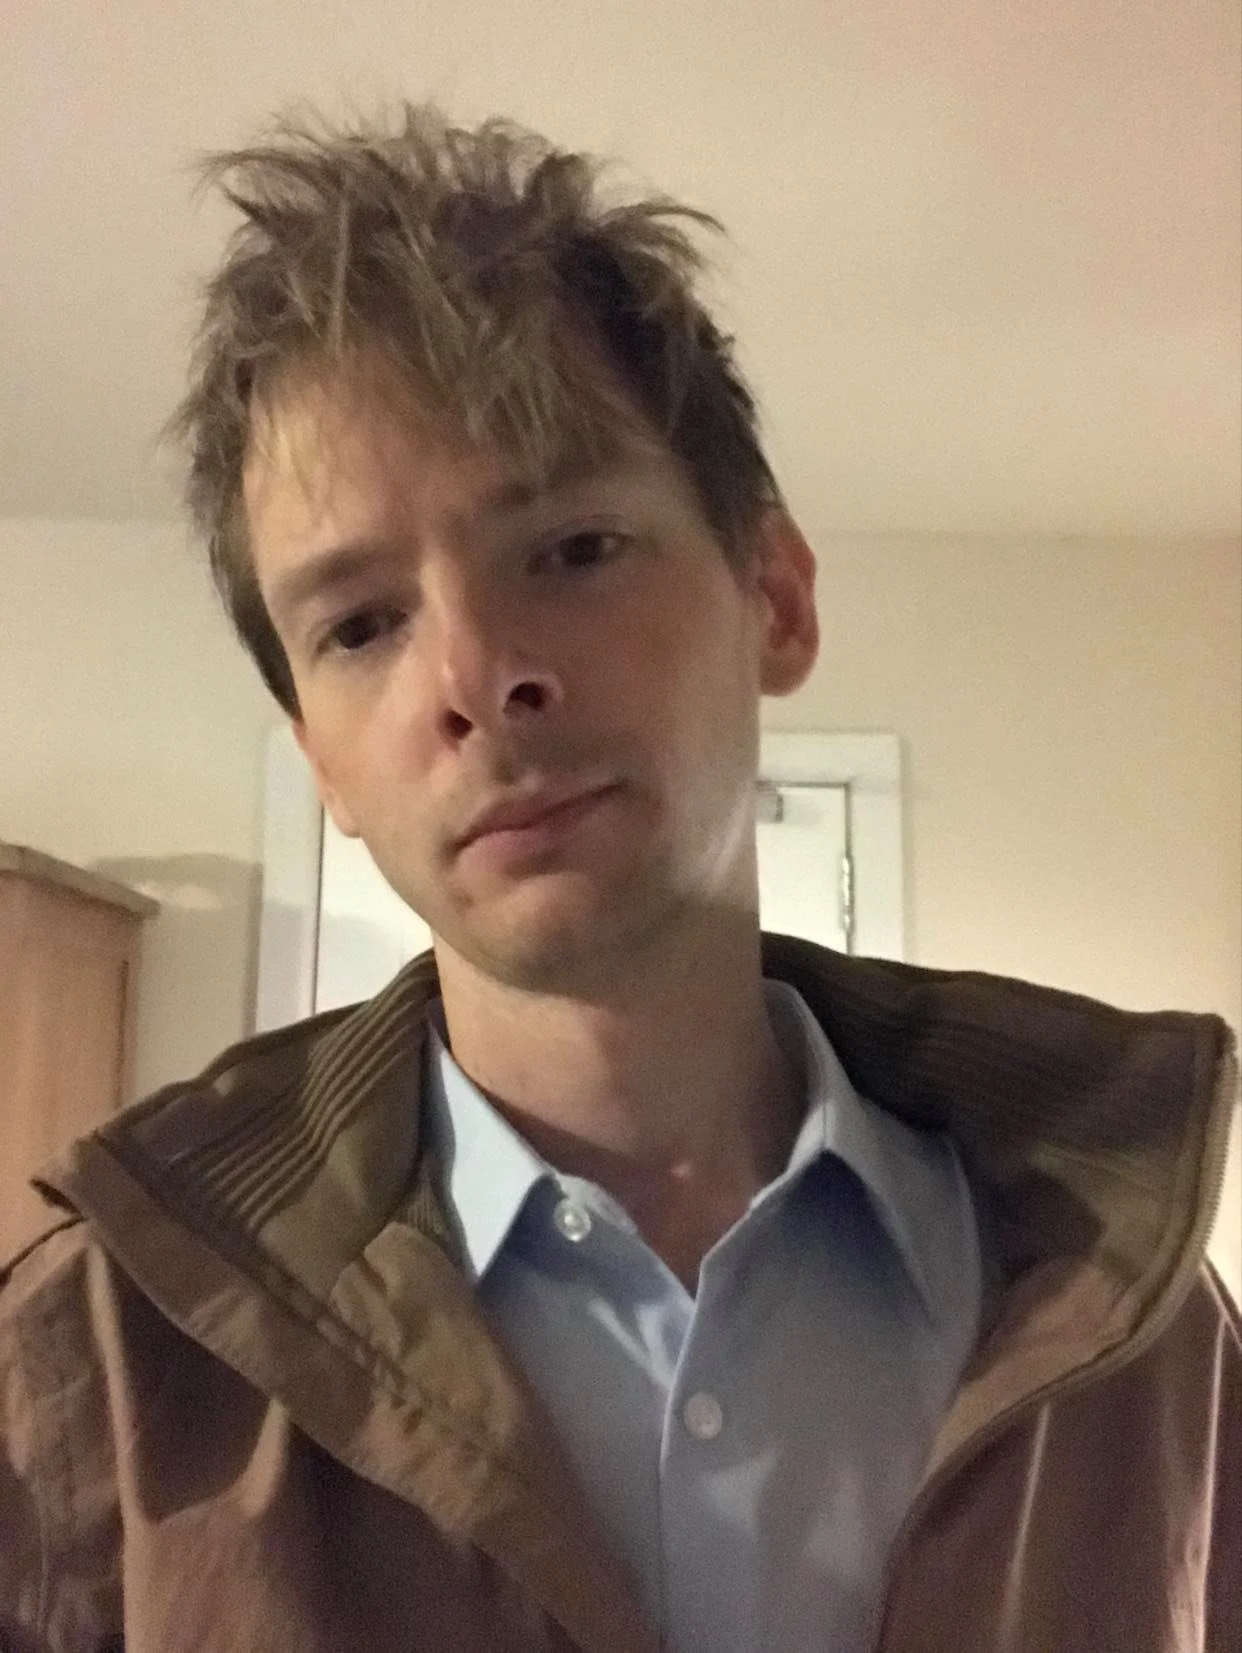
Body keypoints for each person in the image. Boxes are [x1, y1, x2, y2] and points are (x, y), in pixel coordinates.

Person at [1, 104, 1237, 1653]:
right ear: (320, 752)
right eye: (359, 625)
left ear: (772, 600)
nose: (474, 675)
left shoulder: (1130, 1320)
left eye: (572, 548)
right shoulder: (104, 1355)